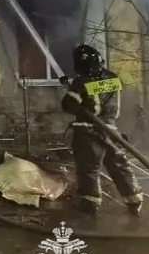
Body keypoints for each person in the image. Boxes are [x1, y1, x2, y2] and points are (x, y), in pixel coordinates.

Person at [61, 44, 143, 217]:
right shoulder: (113, 78)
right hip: (111, 130)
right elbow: (98, 94)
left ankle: (89, 203)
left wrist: (72, 94)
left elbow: (68, 105)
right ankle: (134, 200)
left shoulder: (81, 81)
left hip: (88, 131)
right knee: (119, 165)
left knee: (89, 167)